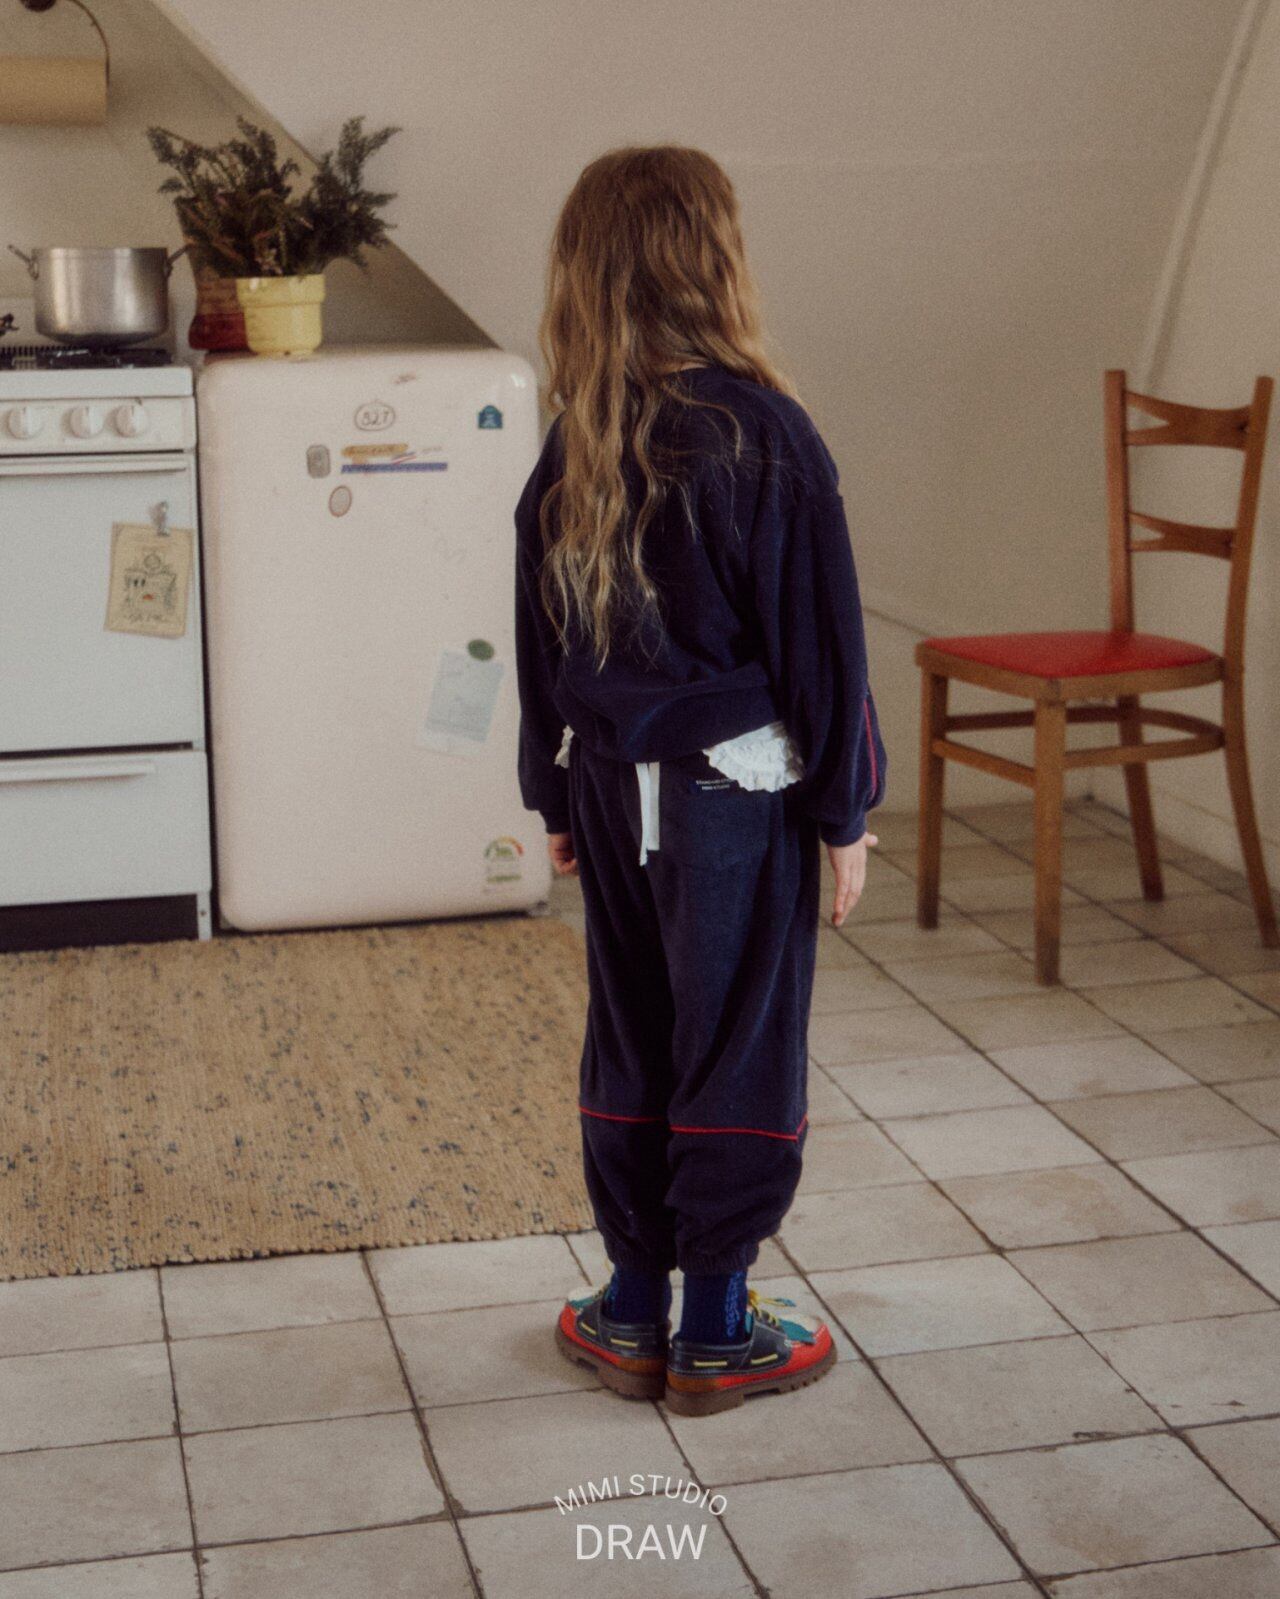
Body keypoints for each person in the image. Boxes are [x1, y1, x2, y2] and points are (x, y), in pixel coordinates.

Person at [514, 145, 885, 1416]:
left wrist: (551, 793)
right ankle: (716, 1333)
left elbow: (539, 640)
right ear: (713, 262)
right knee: (737, 1042)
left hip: (610, 781)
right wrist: (843, 810)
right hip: (733, 790)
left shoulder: (573, 439)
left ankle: (630, 1309)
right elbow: (822, 645)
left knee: (631, 1029)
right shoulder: (764, 433)